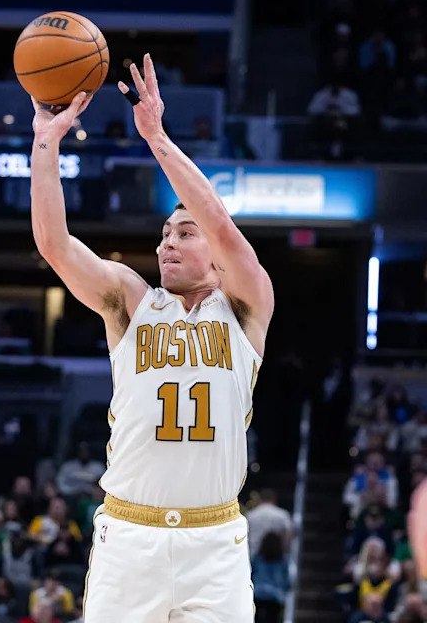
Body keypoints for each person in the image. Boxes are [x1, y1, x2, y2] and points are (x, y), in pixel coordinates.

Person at [30, 53, 273, 622]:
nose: (168, 243)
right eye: (164, 234)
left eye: (185, 233)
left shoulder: (245, 306)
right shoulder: (131, 300)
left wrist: (156, 137)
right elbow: (54, 245)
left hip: (213, 543)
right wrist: (45, 143)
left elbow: (220, 222)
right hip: (129, 536)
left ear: (213, 252)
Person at [246, 489, 293, 554]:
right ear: (275, 499)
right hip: (276, 554)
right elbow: (288, 533)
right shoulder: (282, 515)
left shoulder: (250, 515)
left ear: (260, 499)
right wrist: (285, 550)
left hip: (253, 552)